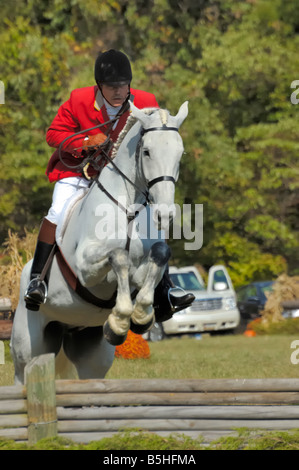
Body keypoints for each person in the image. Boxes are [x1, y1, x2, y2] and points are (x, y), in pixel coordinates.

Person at [24, 49, 194, 319]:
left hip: (122, 180)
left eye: (123, 85)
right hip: (80, 171)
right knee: (57, 211)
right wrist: (84, 142)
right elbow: (53, 134)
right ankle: (38, 281)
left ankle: (165, 290)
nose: (118, 92)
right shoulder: (79, 100)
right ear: (98, 86)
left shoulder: (146, 101)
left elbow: (156, 137)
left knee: (152, 218)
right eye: (112, 87)